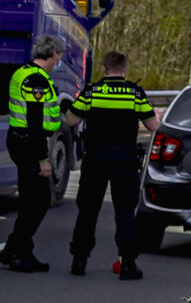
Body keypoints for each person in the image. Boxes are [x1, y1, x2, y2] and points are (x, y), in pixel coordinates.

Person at [65, 49, 155, 280]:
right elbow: (153, 126)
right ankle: (128, 264)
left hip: (95, 159)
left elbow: (71, 119)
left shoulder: (92, 91)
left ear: (104, 69)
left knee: (88, 210)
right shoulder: (134, 93)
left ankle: (79, 260)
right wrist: (158, 114)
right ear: (124, 69)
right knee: (124, 212)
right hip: (124, 160)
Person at [0, 36, 66, 272]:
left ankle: (20, 250)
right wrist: (44, 160)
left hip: (21, 140)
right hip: (29, 144)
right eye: (59, 55)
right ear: (52, 54)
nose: (60, 60)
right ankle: (14, 251)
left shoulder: (24, 72)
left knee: (32, 201)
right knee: (36, 202)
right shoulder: (36, 80)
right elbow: (35, 122)